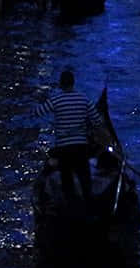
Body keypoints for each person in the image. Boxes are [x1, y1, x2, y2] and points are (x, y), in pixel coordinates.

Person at [35, 69, 99, 206]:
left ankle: (71, 206)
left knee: (67, 181)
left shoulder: (56, 100)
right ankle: (89, 205)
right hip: (81, 146)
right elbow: (97, 120)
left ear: (61, 84)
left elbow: (38, 112)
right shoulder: (84, 99)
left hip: (64, 148)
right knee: (85, 179)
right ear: (73, 83)